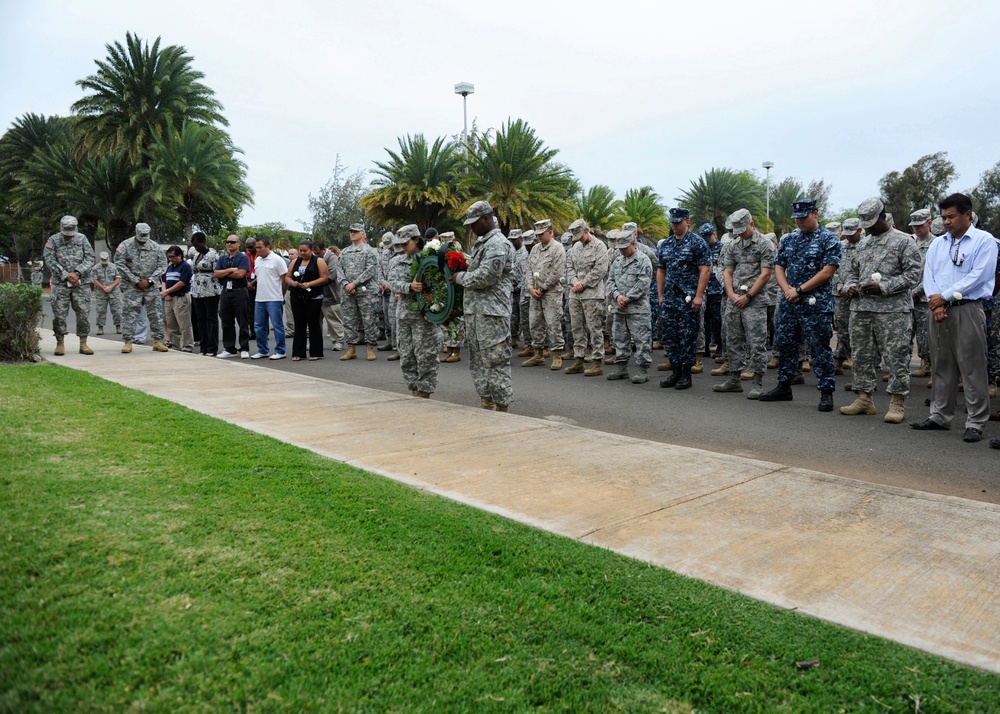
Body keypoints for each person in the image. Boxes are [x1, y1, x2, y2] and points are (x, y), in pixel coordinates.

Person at [911, 193, 998, 442]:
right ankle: (940, 415)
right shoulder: (939, 243)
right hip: (937, 309)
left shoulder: (984, 241)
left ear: (967, 215)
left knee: (972, 368)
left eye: (951, 216)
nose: (946, 222)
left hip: (967, 308)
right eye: (943, 217)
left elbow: (979, 275)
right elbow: (929, 274)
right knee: (941, 365)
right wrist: (935, 301)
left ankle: (976, 421)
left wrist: (944, 297)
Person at [839, 198, 922, 423]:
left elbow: (914, 275)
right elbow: (851, 273)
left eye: (872, 222)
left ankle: (897, 402)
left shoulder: (904, 241)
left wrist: (883, 287)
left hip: (893, 310)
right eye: (864, 224)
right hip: (861, 308)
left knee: (896, 356)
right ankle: (864, 398)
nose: (867, 228)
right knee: (861, 354)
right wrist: (850, 287)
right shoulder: (863, 244)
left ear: (883, 217)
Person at [758, 199, 841, 411]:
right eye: (797, 218)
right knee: (785, 344)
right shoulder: (789, 239)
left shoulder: (828, 239)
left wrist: (800, 290)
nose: (800, 222)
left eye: (803, 217)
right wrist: (787, 289)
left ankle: (826, 392)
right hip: (789, 301)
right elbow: (779, 266)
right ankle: (784, 386)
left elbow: (827, 271)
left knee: (819, 348)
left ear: (815, 213)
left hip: (815, 303)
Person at [451, 200, 516, 411]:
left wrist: (460, 277)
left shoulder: (498, 243)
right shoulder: (483, 243)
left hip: (492, 314)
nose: (471, 228)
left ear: (487, 218)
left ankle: (502, 407)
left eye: (474, 223)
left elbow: (486, 276)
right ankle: (486, 402)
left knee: (495, 362)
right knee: (478, 362)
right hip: (476, 313)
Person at [714, 209, 774, 399]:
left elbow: (765, 274)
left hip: (754, 301)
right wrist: (731, 294)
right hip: (734, 300)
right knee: (732, 340)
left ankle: (757, 382)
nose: (739, 232)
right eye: (736, 229)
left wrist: (748, 296)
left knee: (756, 342)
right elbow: (727, 271)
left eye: (742, 228)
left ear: (751, 223)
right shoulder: (732, 245)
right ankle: (734, 379)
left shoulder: (764, 244)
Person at [656, 208, 711, 390]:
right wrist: (661, 294)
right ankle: (675, 371)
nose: (674, 225)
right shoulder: (666, 244)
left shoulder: (697, 243)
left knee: (687, 336)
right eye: (672, 222)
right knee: (670, 336)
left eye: (678, 222)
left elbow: (705, 270)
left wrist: (699, 296)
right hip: (671, 298)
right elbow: (661, 270)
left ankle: (686, 373)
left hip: (688, 298)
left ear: (687, 222)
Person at [388, 225, 440, 397]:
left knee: (425, 355)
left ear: (416, 239)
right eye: (400, 244)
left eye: (406, 243)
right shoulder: (396, 261)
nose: (403, 247)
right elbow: (393, 283)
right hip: (404, 315)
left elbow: (441, 284)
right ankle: (414, 390)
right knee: (406, 356)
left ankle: (425, 392)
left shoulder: (431, 258)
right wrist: (409, 287)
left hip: (424, 316)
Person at [606, 229, 653, 383]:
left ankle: (642, 370)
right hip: (619, 308)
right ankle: (621, 368)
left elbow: (643, 283)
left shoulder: (643, 260)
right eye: (620, 248)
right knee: (619, 338)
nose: (622, 250)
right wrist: (617, 296)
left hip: (637, 309)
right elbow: (610, 281)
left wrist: (627, 298)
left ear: (633, 243)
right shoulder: (617, 261)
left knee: (641, 340)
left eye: (624, 247)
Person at [564, 219, 610, 376]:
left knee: (594, 327)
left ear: (586, 230)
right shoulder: (575, 247)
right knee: (576, 327)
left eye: (579, 235)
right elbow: (569, 267)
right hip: (575, 293)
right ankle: (579, 359)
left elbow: (601, 269)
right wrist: (574, 281)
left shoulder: (599, 246)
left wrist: (583, 283)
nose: (578, 238)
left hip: (592, 294)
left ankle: (597, 361)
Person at [116, 222, 168, 354]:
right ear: (136, 233)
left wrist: (150, 280)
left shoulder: (155, 247)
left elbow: (162, 265)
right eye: (141, 237)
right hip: (132, 287)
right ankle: (128, 342)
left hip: (151, 286)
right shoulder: (125, 246)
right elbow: (119, 264)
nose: (143, 240)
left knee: (156, 314)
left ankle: (158, 341)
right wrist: (135, 280)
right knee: (129, 314)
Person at [523, 218, 566, 369]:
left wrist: (543, 288)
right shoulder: (535, 249)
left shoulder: (558, 248)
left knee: (553, 323)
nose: (539, 237)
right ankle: (538, 354)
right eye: (538, 234)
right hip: (535, 293)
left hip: (551, 293)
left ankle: (557, 355)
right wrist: (530, 288)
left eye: (542, 234)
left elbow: (557, 272)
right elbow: (528, 269)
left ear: (550, 232)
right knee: (534, 323)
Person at [337, 223, 380, 361]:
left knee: (369, 320)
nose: (352, 234)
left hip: (366, 291)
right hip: (348, 292)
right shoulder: (344, 252)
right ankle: (351, 349)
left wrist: (354, 283)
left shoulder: (370, 251)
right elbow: (339, 270)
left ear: (362, 234)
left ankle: (370, 348)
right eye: (351, 231)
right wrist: (346, 284)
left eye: (355, 231)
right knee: (349, 320)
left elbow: (371, 270)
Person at [286, 240, 328, 360]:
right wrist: (292, 283)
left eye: (306, 251)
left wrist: (309, 284)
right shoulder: (295, 262)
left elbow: (324, 278)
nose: (303, 253)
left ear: (312, 250)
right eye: (301, 251)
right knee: (299, 324)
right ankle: (298, 353)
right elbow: (287, 277)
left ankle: (316, 352)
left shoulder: (318, 261)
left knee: (313, 324)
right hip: (297, 296)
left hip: (313, 297)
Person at [214, 234, 252, 359]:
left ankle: (244, 348)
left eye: (232, 242)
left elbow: (241, 274)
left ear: (238, 243)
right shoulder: (222, 258)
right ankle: (229, 348)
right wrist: (231, 270)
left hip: (239, 291)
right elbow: (216, 274)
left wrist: (225, 272)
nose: (230, 244)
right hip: (225, 291)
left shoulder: (243, 258)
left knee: (242, 320)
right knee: (226, 320)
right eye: (228, 242)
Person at [833, 219, 863, 377]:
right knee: (842, 328)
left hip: (860, 295)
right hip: (841, 295)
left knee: (858, 330)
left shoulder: (865, 246)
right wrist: (840, 287)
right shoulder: (840, 246)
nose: (849, 237)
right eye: (847, 234)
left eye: (852, 234)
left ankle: (855, 360)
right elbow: (832, 269)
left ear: (860, 230)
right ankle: (839, 358)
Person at [250, 237, 288, 360]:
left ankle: (280, 350)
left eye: (260, 247)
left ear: (268, 247)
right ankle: (263, 349)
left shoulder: (277, 260)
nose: (258, 250)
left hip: (274, 297)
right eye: (257, 248)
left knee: (277, 325)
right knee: (259, 326)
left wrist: (281, 294)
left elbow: (284, 279)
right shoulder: (257, 260)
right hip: (260, 298)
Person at [908, 208, 935, 379]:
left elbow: (934, 274)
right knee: (906, 334)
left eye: (920, 225)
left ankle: (929, 365)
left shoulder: (936, 244)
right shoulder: (910, 243)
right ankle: (902, 367)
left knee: (926, 336)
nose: (916, 229)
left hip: (925, 298)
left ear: (929, 223)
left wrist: (916, 292)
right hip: (906, 297)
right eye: (914, 226)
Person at [189, 232, 221, 356]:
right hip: (197, 291)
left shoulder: (213, 255)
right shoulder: (196, 255)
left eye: (197, 245)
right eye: (194, 246)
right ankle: (203, 347)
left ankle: (212, 347)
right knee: (200, 318)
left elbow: (217, 272)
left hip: (211, 290)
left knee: (211, 318)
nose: (196, 248)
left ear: (203, 242)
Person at [161, 245, 194, 352]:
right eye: (169, 257)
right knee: (171, 324)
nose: (171, 259)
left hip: (181, 297)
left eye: (173, 257)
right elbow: (164, 280)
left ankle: (187, 346)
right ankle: (175, 345)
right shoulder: (170, 267)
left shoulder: (185, 266)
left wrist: (168, 291)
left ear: (180, 256)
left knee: (184, 324)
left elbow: (182, 283)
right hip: (169, 299)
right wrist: (165, 293)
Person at [313, 240, 344, 351]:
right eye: (315, 253)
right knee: (315, 320)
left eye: (318, 253)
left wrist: (313, 280)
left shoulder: (333, 258)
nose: (316, 256)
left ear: (324, 249)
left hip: (331, 294)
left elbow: (330, 276)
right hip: (316, 295)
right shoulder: (314, 258)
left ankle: (338, 341)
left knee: (333, 319)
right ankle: (315, 342)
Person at [514, 230, 535, 357]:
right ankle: (529, 344)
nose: (528, 247)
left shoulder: (537, 253)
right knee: (525, 320)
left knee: (537, 321)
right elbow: (522, 274)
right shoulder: (522, 255)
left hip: (534, 292)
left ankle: (542, 346)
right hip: (523, 293)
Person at [91, 251, 121, 336]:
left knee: (117, 310)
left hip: (113, 291)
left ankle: (118, 326)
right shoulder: (95, 268)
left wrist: (111, 287)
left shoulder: (114, 267)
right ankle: (100, 328)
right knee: (100, 310)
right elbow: (94, 280)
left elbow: (118, 278)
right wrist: (103, 287)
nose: (104, 264)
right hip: (101, 292)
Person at [376, 232, 396, 352]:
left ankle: (397, 344)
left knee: (396, 320)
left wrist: (392, 285)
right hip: (386, 292)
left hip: (397, 291)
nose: (389, 246)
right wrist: (384, 284)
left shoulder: (401, 253)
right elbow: (379, 272)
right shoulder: (384, 254)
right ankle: (390, 341)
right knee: (387, 318)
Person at [244, 237, 258, 339]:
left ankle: (262, 332)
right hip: (248, 282)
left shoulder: (260, 254)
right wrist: (248, 283)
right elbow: (243, 270)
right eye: (247, 247)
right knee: (250, 309)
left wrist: (253, 283)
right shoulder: (246, 256)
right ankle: (253, 331)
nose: (249, 249)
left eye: (251, 247)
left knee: (261, 309)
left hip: (259, 282)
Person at [284, 247, 298, 340]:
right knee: (289, 311)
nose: (290, 256)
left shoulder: (301, 263)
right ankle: (291, 330)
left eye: (292, 254)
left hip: (300, 290)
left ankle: (307, 330)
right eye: (289, 254)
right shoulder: (287, 264)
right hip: (289, 289)